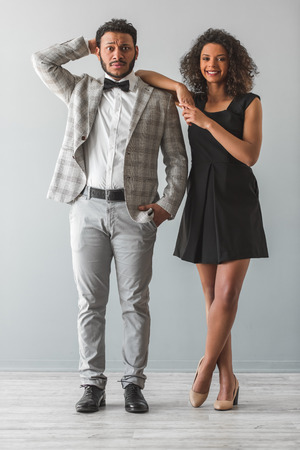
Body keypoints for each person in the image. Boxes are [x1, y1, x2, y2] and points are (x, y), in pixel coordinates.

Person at [32, 19, 187, 414]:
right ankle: (92, 384)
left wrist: (166, 205)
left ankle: (134, 383)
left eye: (125, 47)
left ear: (137, 52)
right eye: (110, 47)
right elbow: (42, 60)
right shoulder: (79, 88)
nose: (118, 54)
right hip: (86, 207)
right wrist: (84, 44)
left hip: (136, 212)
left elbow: (177, 160)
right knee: (90, 301)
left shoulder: (157, 99)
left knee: (135, 301)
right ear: (100, 51)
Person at [137, 28, 268, 411]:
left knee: (226, 296)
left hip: (237, 201)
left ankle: (205, 369)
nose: (212, 65)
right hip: (202, 199)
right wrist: (179, 87)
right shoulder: (190, 99)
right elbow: (143, 74)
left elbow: (249, 156)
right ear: (199, 63)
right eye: (206, 58)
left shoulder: (249, 102)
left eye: (220, 58)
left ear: (233, 63)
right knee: (212, 300)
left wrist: (207, 122)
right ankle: (229, 380)